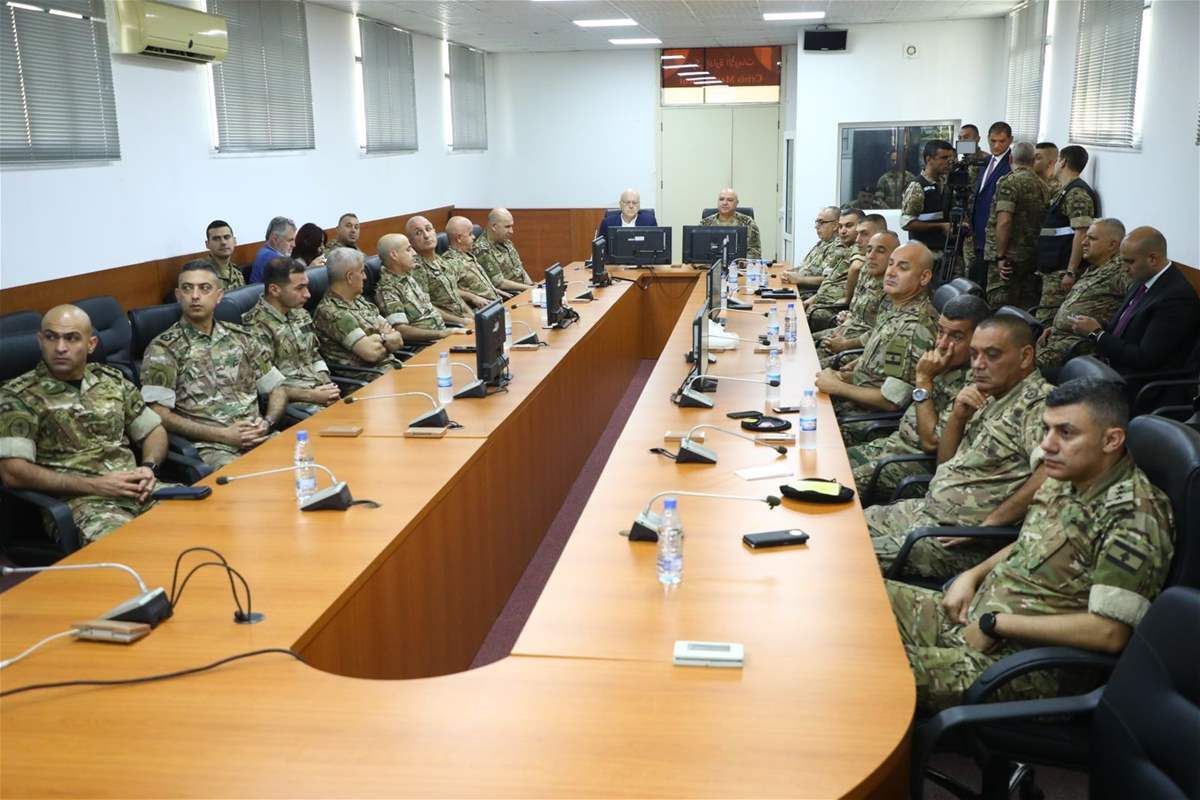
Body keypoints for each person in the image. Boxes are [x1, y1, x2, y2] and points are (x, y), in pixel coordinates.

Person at [886, 377, 1174, 713]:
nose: (1047, 445)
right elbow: (1030, 543)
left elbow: (1110, 632)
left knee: (874, 671)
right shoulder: (1067, 477)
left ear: (1111, 440)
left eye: (1065, 433)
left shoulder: (1133, 516)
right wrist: (972, 576)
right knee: (856, 599)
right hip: (975, 616)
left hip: (1024, 666)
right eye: (1046, 429)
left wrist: (997, 624)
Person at [864, 314, 1053, 577]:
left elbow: (1050, 474)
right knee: (844, 529)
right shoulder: (991, 394)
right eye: (974, 354)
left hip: (958, 540)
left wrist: (991, 524)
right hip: (928, 513)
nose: (978, 365)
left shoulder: (1038, 405)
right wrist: (958, 417)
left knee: (851, 557)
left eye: (992, 355)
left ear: (1025, 356)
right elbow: (945, 463)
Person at [0, 305, 168, 543]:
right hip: (83, 505)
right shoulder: (19, 395)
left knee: (201, 517)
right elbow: (13, 472)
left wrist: (149, 467)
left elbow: (153, 430)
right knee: (131, 548)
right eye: (51, 337)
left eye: (71, 338)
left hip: (138, 489)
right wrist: (96, 486)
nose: (60, 347)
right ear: (40, 340)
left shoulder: (111, 380)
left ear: (91, 344)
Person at [141, 261, 287, 469]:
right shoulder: (164, 348)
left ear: (219, 296)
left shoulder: (242, 337)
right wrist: (223, 435)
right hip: (213, 448)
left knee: (306, 461)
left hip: (259, 436)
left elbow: (276, 388)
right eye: (187, 288)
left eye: (204, 288)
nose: (195, 296)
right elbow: (157, 413)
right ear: (178, 295)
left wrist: (267, 422)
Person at [848, 294, 991, 503]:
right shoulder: (941, 361)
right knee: (830, 462)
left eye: (956, 337)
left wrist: (923, 380)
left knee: (839, 485)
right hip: (893, 446)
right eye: (940, 331)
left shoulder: (975, 383)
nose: (942, 344)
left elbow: (931, 443)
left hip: (916, 466)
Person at [814, 242, 938, 439]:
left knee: (806, 424)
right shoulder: (896, 306)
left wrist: (838, 387)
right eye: (891, 264)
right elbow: (880, 365)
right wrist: (849, 373)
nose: (891, 272)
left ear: (924, 277)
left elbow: (891, 401)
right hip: (855, 396)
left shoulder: (914, 327)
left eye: (903, 267)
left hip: (865, 420)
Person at [1070, 226, 1200, 373]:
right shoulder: (1143, 277)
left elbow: (1144, 359)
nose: (1124, 268)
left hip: (1135, 379)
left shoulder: (1177, 299)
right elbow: (1126, 328)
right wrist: (1095, 325)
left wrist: (1097, 333)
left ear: (1152, 259)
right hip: (1110, 366)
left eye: (1129, 262)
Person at [242, 257, 340, 414]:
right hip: (292, 403)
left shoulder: (301, 314)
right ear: (274, 290)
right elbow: (268, 385)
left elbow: (314, 355)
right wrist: (313, 395)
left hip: (320, 391)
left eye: (306, 286)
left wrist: (328, 386)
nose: (308, 294)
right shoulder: (254, 326)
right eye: (299, 288)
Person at [1036, 218, 1130, 371]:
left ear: (1112, 245)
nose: (1083, 242)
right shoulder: (1094, 267)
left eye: (1091, 238)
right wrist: (1055, 328)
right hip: (1056, 339)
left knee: (1014, 368)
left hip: (1076, 348)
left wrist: (1100, 331)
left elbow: (1132, 312)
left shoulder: (1122, 271)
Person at [312, 247, 406, 383]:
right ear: (350, 277)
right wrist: (385, 336)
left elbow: (398, 340)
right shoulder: (332, 312)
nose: (365, 277)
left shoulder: (359, 300)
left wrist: (379, 339)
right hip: (369, 380)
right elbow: (371, 353)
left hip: (391, 369)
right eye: (361, 272)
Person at [815, 229, 898, 367]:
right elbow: (858, 311)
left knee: (812, 365)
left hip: (864, 347)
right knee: (803, 343)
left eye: (880, 251)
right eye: (869, 250)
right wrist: (847, 318)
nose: (871, 256)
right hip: (848, 331)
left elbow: (882, 333)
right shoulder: (867, 271)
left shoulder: (894, 287)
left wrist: (845, 344)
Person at [1035, 145, 1098, 319]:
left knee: (1046, 319)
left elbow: (1081, 233)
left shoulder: (1077, 193)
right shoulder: (1065, 190)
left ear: (1063, 162)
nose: (1054, 165)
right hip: (1052, 267)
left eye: (1056, 161)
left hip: (1061, 271)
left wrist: (1071, 271)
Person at [984, 141, 1048, 309]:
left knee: (1000, 305)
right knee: (1025, 307)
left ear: (1011, 158)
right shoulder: (1043, 185)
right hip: (1031, 256)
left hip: (1008, 258)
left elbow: (1004, 221)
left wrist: (1000, 256)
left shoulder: (1009, 182)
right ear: (1033, 160)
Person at [375, 233, 470, 344]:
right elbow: (401, 330)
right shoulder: (388, 289)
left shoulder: (408, 276)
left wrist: (462, 321)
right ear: (394, 255)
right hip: (425, 345)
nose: (414, 253)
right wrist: (441, 334)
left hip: (443, 335)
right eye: (408, 250)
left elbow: (430, 308)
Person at [966, 122, 1013, 285]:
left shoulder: (1011, 165)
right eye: (993, 141)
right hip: (977, 233)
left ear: (1010, 140)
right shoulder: (985, 162)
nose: (997, 145)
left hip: (995, 237)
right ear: (987, 139)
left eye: (1002, 141)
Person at [407, 216, 476, 323]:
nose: (426, 235)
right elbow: (427, 307)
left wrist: (471, 315)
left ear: (434, 231)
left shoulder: (440, 260)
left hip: (465, 317)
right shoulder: (417, 269)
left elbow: (454, 294)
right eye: (418, 233)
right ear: (411, 242)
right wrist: (461, 321)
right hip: (449, 324)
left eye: (428, 229)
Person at [804, 208, 862, 331]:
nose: (843, 231)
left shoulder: (860, 249)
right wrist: (814, 298)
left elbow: (856, 268)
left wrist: (847, 299)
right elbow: (829, 278)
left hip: (835, 307)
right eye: (841, 227)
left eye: (849, 226)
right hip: (821, 301)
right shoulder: (842, 248)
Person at [900, 139, 955, 270]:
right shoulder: (917, 186)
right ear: (929, 159)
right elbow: (907, 223)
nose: (949, 162)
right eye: (944, 158)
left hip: (946, 254)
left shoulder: (947, 184)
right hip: (924, 255)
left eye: (951, 158)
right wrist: (941, 226)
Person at [442, 216, 504, 305]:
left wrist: (494, 290)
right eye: (470, 234)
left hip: (496, 302)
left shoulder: (467, 253)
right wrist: (472, 297)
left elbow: (477, 284)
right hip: (481, 309)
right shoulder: (450, 262)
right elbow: (447, 290)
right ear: (459, 238)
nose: (474, 237)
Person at [473, 208, 534, 287]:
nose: (511, 231)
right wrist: (529, 288)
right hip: (510, 292)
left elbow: (520, 270)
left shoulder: (506, 242)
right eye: (507, 227)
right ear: (494, 226)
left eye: (511, 226)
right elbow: (499, 283)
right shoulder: (482, 249)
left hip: (523, 288)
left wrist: (532, 286)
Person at [783, 206, 841, 289]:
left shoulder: (838, 247)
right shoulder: (822, 243)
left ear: (835, 226)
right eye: (817, 222)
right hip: (799, 288)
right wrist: (787, 273)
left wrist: (800, 279)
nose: (816, 226)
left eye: (821, 222)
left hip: (810, 293)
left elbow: (828, 280)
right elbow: (805, 267)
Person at [840, 213, 887, 312]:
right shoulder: (866, 265)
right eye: (857, 234)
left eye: (864, 234)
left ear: (880, 235)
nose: (857, 240)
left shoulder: (890, 268)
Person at [701, 188, 761, 260]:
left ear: (737, 203)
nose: (724, 203)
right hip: (710, 264)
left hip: (739, 265)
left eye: (730, 200)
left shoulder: (747, 222)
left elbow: (755, 252)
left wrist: (741, 264)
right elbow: (698, 249)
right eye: (721, 199)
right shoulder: (705, 223)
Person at [249, 216, 297, 283]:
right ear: (275, 239)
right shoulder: (270, 258)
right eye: (290, 240)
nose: (294, 245)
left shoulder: (265, 251)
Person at [203, 220, 245, 289]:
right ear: (207, 244)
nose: (223, 242)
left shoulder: (237, 272)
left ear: (234, 241)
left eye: (227, 237)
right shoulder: (200, 274)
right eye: (216, 239)